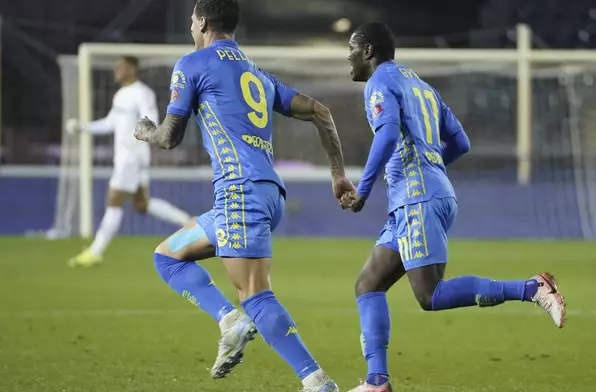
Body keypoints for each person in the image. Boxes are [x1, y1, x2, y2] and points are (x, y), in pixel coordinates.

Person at [133, 1, 354, 391]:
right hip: (259, 196)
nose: (189, 25)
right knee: (167, 256)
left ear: (202, 21)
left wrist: (146, 131)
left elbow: (169, 137)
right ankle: (227, 318)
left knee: (255, 296)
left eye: (191, 19)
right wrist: (337, 174)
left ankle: (317, 382)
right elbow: (320, 111)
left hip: (241, 194)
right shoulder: (257, 76)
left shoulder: (192, 64)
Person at [342, 22, 566, 392]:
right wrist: (430, 169)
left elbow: (386, 133)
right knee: (368, 284)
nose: (347, 57)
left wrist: (363, 189)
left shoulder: (380, 82)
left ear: (368, 51)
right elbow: (461, 142)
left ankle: (532, 288)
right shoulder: (423, 87)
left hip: (418, 199)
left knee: (431, 296)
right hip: (425, 196)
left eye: (351, 48)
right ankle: (376, 382)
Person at [66, 56, 191, 267]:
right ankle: (189, 222)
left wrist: (136, 147)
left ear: (132, 69)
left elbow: (151, 122)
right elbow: (109, 123)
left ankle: (95, 252)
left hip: (131, 156)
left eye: (121, 67)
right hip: (127, 156)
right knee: (142, 204)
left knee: (113, 198)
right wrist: (83, 128)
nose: (116, 70)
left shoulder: (142, 93)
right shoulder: (120, 95)